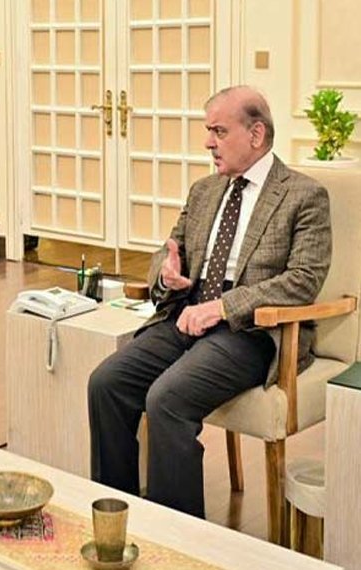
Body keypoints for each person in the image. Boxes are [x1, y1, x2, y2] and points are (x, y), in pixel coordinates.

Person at [87, 85, 332, 519]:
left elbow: (303, 281)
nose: (208, 142)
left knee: (167, 399)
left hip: (250, 332)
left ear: (256, 134)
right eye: (208, 131)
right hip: (186, 316)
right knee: (106, 383)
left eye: (219, 131)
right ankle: (117, 520)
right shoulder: (204, 191)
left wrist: (222, 307)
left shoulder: (303, 195)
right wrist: (167, 274)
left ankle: (176, 536)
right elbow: (169, 250)